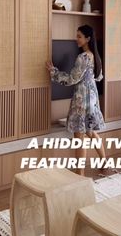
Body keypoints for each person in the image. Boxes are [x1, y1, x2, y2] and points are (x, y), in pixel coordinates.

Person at [46, 24, 106, 175]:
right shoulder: (95, 56)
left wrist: (53, 71)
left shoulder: (82, 57)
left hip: (82, 102)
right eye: (76, 35)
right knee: (90, 133)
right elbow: (99, 77)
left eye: (79, 36)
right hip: (92, 99)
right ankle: (104, 161)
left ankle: (80, 174)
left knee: (79, 137)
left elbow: (72, 79)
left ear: (87, 38)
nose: (76, 39)